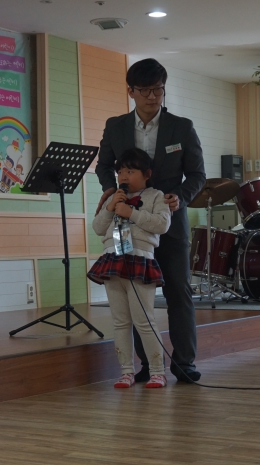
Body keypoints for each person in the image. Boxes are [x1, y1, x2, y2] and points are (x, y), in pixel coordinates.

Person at [95, 58, 206, 383]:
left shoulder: (181, 127)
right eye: (145, 91)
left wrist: (180, 196)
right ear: (131, 91)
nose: (152, 97)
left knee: (178, 291)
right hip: (126, 224)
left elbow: (197, 175)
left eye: (158, 90)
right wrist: (111, 190)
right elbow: (103, 165)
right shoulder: (115, 126)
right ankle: (147, 366)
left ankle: (184, 363)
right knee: (132, 290)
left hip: (168, 219)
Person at [88, 148, 171, 388]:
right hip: (113, 259)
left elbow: (162, 224)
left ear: (147, 174)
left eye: (130, 171)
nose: (124, 176)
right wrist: (111, 207)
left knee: (144, 320)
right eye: (121, 172)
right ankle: (126, 371)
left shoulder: (156, 196)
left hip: (140, 260)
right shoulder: (115, 197)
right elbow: (98, 227)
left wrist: (131, 213)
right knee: (120, 321)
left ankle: (157, 371)